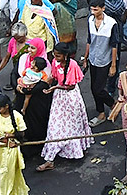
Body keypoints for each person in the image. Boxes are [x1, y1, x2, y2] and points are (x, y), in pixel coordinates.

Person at [36, 42, 92, 172]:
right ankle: (50, 159)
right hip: (59, 98)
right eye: (55, 55)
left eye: (58, 56)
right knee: (54, 127)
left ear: (65, 55)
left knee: (72, 126)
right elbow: (53, 76)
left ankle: (72, 150)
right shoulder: (55, 63)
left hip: (71, 98)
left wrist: (55, 87)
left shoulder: (72, 65)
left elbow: (71, 86)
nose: (56, 58)